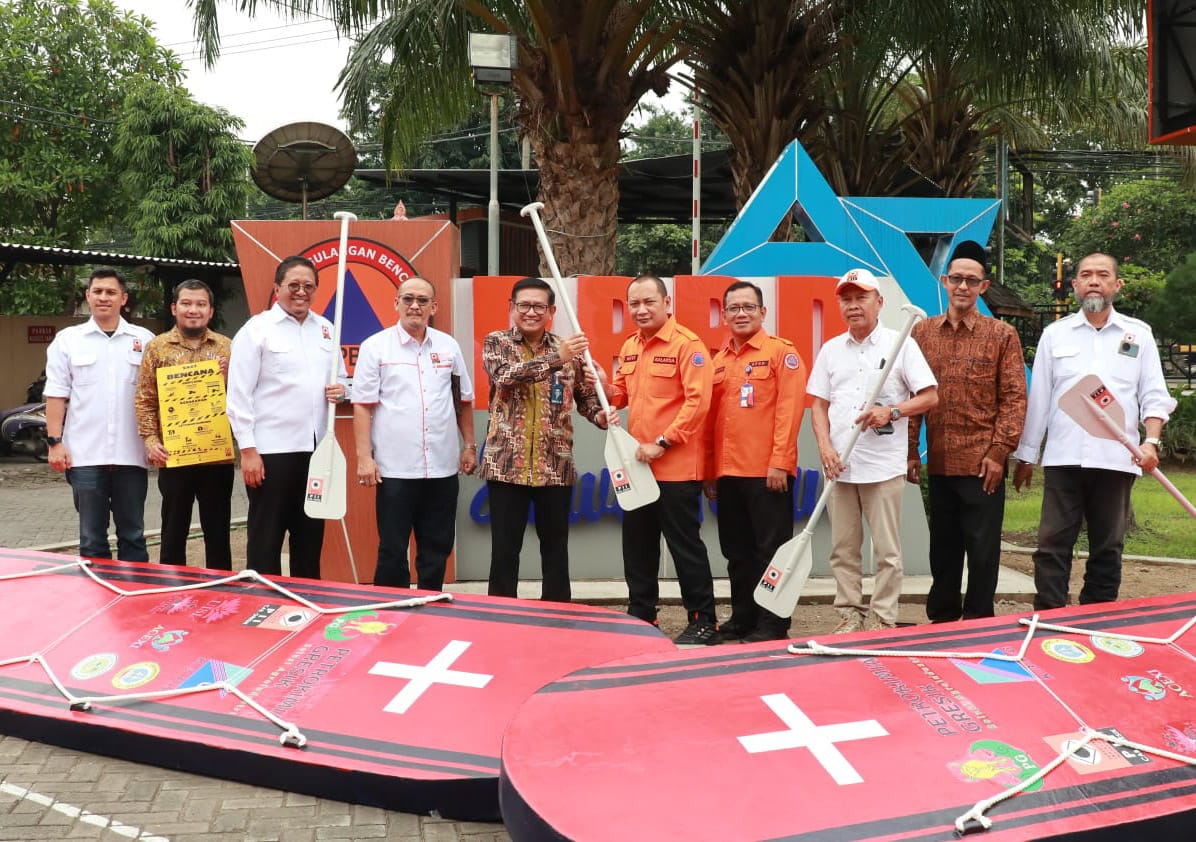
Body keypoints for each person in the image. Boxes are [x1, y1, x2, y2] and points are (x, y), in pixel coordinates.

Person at [1013, 253, 1175, 610]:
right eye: (1086, 275)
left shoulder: (1139, 335)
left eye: (1103, 275)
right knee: (1052, 544)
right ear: (1075, 285)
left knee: (1108, 547)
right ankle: (1049, 619)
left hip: (1117, 459)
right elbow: (1040, 400)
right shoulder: (1055, 335)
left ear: (1117, 284)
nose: (1094, 281)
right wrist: (1026, 456)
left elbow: (1154, 396)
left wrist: (1151, 442)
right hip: (1064, 457)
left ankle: (1097, 620)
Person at [808, 268, 938, 633]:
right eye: (846, 299)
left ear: (879, 302)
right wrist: (824, 448)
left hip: (882, 466)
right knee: (843, 549)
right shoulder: (831, 350)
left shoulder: (901, 345)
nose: (853, 306)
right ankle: (849, 613)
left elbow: (930, 396)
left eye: (861, 298)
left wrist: (892, 411)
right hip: (840, 466)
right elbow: (818, 405)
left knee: (887, 552)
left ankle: (882, 618)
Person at [907, 243, 1027, 622]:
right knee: (942, 550)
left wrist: (999, 452)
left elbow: (1014, 398)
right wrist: (910, 451)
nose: (963, 286)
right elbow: (910, 395)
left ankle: (978, 623)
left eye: (971, 281)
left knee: (982, 551)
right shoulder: (922, 333)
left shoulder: (1002, 334)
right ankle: (941, 621)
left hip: (983, 465)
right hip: (940, 460)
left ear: (983, 286)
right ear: (944, 281)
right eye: (956, 278)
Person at [606, 274, 717, 646]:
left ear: (667, 303)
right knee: (637, 546)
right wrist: (602, 388)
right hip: (637, 466)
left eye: (648, 302)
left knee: (685, 546)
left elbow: (698, 402)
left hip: (676, 468)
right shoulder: (630, 346)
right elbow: (620, 394)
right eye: (634, 303)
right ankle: (642, 615)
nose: (641, 310)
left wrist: (664, 442)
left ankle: (703, 620)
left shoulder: (688, 345)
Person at [480, 277, 607, 602]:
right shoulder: (497, 342)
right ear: (512, 307)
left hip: (555, 466)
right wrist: (556, 359)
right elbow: (505, 377)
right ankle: (501, 615)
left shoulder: (569, 350)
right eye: (524, 305)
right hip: (506, 467)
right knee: (504, 550)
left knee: (556, 549)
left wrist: (601, 415)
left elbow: (586, 399)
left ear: (551, 311)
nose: (531, 312)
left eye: (539, 306)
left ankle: (558, 616)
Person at [226, 255, 347, 580]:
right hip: (271, 452)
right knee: (266, 538)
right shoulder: (257, 330)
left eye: (308, 286)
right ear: (277, 287)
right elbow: (238, 397)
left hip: (316, 452)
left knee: (309, 538)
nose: (301, 292)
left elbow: (342, 379)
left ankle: (306, 599)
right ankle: (262, 601)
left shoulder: (326, 329)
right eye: (293, 285)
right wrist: (248, 451)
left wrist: (341, 389)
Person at [353, 277, 477, 590]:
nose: (415, 306)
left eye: (423, 300)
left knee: (437, 546)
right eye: (408, 299)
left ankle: (431, 603)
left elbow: (462, 400)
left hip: (441, 466)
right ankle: (391, 610)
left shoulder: (448, 347)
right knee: (393, 548)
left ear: (433, 307)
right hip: (395, 468)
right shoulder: (375, 347)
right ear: (396, 303)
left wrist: (469, 445)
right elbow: (363, 406)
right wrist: (364, 458)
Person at [704, 281, 807, 643]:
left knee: (771, 552)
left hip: (767, 473)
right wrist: (710, 471)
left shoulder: (782, 353)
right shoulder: (718, 361)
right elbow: (710, 421)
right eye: (734, 308)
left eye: (749, 307)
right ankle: (743, 618)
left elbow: (790, 412)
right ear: (724, 315)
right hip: (728, 473)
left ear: (763, 312)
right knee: (736, 552)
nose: (741, 313)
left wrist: (780, 461)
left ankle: (773, 623)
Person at [44, 268, 155, 561]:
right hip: (85, 457)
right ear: (88, 296)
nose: (104, 297)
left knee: (133, 536)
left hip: (131, 456)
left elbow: (160, 394)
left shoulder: (145, 340)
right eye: (98, 291)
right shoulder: (68, 340)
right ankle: (96, 590)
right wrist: (54, 442)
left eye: (111, 292)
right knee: (92, 539)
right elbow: (56, 394)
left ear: (124, 298)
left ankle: (132, 590)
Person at [135, 280, 235, 570]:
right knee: (173, 530)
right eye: (186, 303)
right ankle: (172, 587)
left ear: (211, 310)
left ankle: (220, 586)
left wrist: (229, 379)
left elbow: (245, 398)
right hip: (174, 455)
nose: (194, 310)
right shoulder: (157, 348)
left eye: (201, 304)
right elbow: (145, 399)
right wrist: (151, 441)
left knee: (218, 531)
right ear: (174, 308)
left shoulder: (228, 348)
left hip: (216, 456)